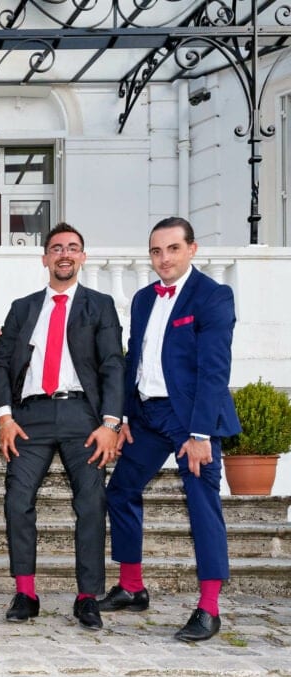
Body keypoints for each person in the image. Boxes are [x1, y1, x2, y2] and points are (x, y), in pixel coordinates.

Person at [100, 217, 240, 642]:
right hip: (146, 415)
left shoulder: (213, 296)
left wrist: (200, 434)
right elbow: (133, 359)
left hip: (190, 419)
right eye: (157, 251)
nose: (164, 258)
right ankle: (131, 586)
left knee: (202, 505)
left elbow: (214, 369)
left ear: (192, 250)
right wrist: (123, 416)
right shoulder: (143, 298)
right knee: (121, 490)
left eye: (173, 249)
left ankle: (209, 608)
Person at [0, 223, 124, 630]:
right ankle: (26, 593)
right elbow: (1, 364)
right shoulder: (23, 307)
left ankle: (87, 597)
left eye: (73, 248)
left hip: (83, 416)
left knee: (90, 503)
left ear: (82, 257)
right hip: (29, 417)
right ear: (44, 258)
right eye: (56, 248)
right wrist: (4, 416)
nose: (64, 254)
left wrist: (111, 423)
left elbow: (113, 364)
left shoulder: (99, 306)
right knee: (17, 500)